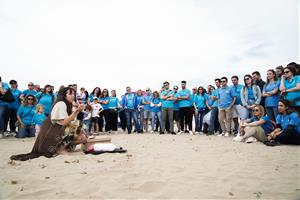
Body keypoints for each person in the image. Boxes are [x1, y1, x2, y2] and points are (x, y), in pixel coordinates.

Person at [10, 86, 87, 161]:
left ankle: (68, 145)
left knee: (78, 128)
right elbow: (64, 122)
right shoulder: (61, 103)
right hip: (51, 132)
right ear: (64, 95)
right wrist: (77, 111)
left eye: (74, 94)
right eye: (70, 94)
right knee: (78, 125)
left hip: (55, 130)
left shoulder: (67, 104)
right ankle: (60, 148)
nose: (73, 96)